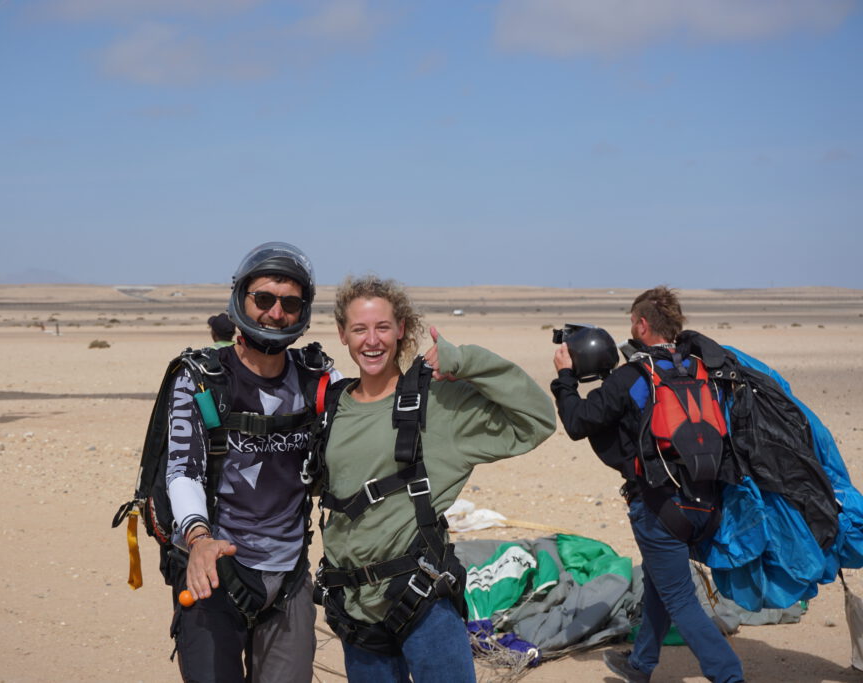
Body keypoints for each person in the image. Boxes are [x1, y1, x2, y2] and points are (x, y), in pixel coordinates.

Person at [311, 275, 556, 682]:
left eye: (382, 327)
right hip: (353, 610)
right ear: (342, 334)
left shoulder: (437, 403)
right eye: (359, 329)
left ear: (401, 329)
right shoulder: (331, 408)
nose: (372, 340)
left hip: (421, 603)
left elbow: (537, 419)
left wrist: (470, 362)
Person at [550, 286, 744, 683]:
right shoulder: (700, 367)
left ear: (641, 324)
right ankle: (640, 665)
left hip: (660, 507)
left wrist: (565, 378)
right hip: (707, 502)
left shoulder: (634, 376)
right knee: (660, 581)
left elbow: (578, 422)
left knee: (679, 598)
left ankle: (728, 675)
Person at [164, 242, 337, 682]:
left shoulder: (319, 377)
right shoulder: (202, 379)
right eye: (264, 299)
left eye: (290, 303)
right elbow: (184, 468)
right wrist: (199, 539)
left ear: (303, 312)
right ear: (241, 299)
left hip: (290, 577)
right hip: (214, 573)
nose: (276, 313)